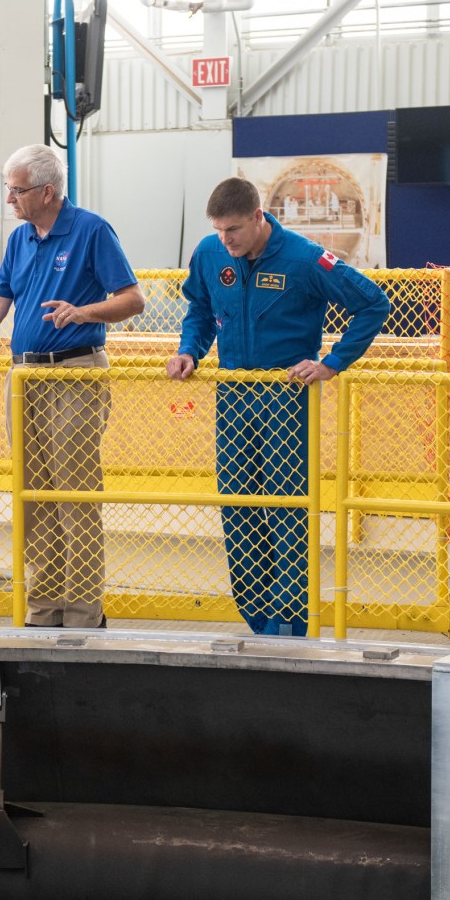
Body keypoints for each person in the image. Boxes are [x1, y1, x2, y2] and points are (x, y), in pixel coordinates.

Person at [0, 145, 144, 629]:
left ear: (46, 191)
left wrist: (83, 312)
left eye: (16, 191)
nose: (10, 200)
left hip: (74, 373)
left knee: (74, 494)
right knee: (32, 494)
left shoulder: (91, 230)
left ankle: (83, 612)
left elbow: (132, 299)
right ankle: (43, 607)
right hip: (22, 378)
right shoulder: (20, 240)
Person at [168, 176, 391, 636]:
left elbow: (373, 304)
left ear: (257, 217)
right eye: (218, 231)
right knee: (238, 506)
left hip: (286, 398)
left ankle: (288, 620)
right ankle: (255, 614)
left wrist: (331, 363)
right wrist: (191, 348)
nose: (225, 240)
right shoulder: (210, 255)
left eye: (233, 230)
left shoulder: (305, 259)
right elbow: (198, 306)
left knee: (286, 509)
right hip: (233, 395)